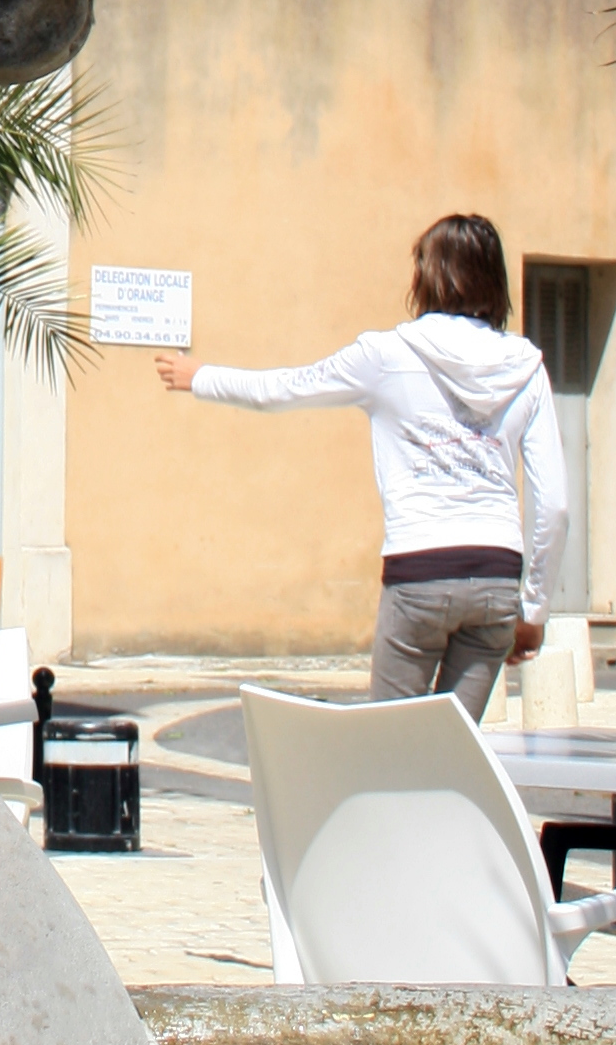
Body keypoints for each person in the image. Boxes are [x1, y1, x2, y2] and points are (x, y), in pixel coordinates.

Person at [155, 213, 563, 716]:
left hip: (421, 568)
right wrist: (535, 607)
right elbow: (555, 504)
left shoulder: (386, 354)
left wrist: (200, 376)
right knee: (453, 753)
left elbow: (285, 390)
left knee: (387, 742)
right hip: (497, 576)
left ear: (427, 277)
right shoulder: (527, 366)